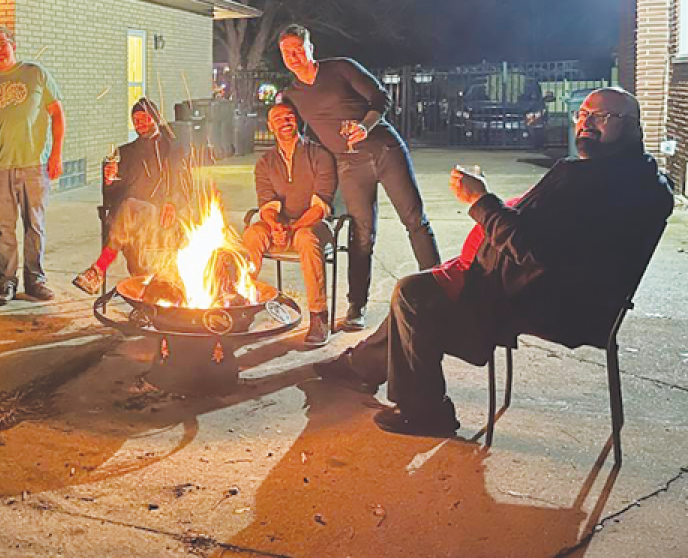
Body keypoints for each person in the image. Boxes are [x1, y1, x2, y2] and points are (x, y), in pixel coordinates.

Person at [314, 87, 674, 437]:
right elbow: (548, 235)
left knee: (414, 293)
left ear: (632, 124)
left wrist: (481, 201)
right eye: (583, 114)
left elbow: (536, 252)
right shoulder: (639, 178)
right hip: (571, 294)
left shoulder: (598, 183)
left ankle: (424, 411)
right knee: (424, 292)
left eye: (603, 116)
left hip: (550, 301)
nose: (586, 123)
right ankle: (357, 366)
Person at [278, 23, 439, 330]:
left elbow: (381, 98)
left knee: (414, 218)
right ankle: (357, 305)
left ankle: (440, 289)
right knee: (361, 234)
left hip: (384, 150)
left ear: (311, 48)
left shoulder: (340, 69)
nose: (294, 56)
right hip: (349, 166)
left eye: (299, 49)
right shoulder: (293, 95)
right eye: (287, 52)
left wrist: (365, 126)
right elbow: (289, 130)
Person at [0, 25, 65, 305]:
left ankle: (35, 280)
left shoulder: (35, 73)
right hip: (0, 166)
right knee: (4, 228)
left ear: (13, 45)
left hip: (33, 164)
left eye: (2, 43)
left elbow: (57, 113)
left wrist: (56, 155)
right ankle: (6, 282)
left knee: (34, 225)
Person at [241, 102, 337, 346]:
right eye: (278, 119)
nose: (285, 122)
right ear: (270, 126)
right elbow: (267, 204)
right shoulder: (265, 162)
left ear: (297, 121)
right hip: (281, 226)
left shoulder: (320, 155)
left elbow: (319, 206)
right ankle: (242, 304)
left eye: (289, 117)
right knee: (252, 234)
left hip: (314, 226)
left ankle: (318, 316)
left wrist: (292, 229)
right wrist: (275, 226)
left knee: (305, 238)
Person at [72, 98, 191, 295]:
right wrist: (110, 181)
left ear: (155, 118)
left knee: (129, 208)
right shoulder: (125, 152)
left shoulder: (173, 149)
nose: (139, 123)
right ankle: (142, 285)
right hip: (132, 219)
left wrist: (172, 203)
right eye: (135, 120)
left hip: (161, 216)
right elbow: (111, 197)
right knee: (128, 207)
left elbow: (185, 186)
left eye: (144, 118)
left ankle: (100, 268)